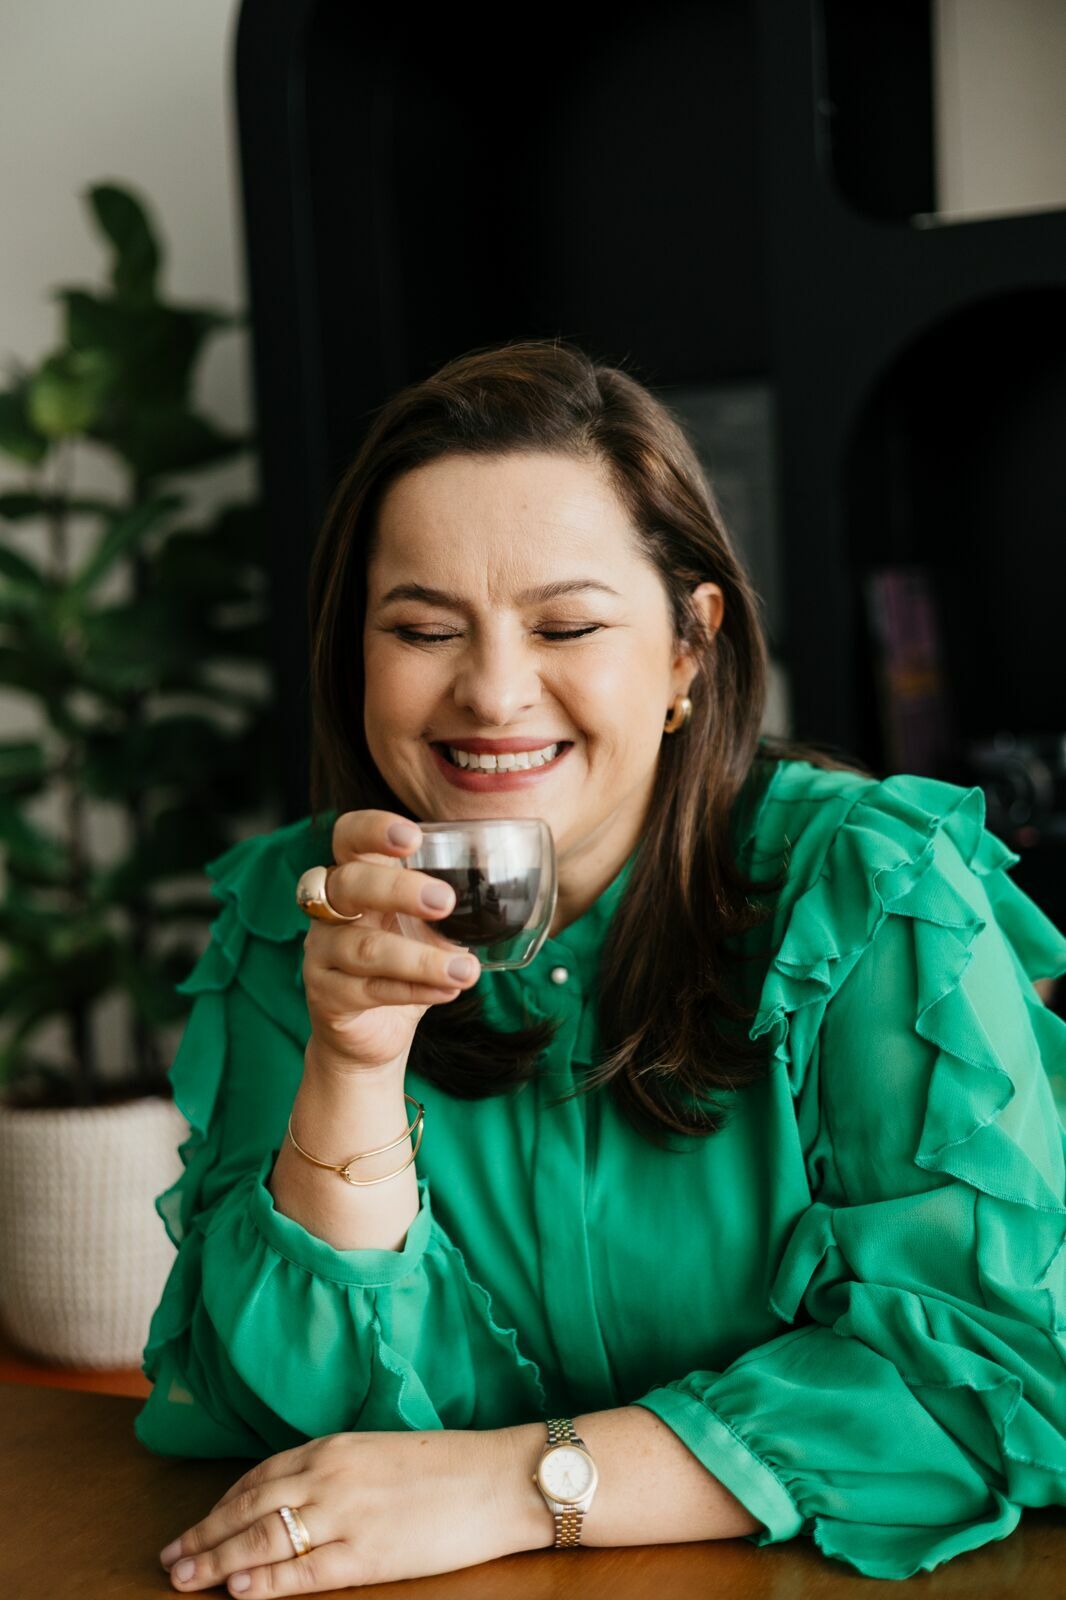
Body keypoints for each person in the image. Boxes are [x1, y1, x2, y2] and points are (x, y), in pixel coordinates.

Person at [137, 339, 1066, 1594]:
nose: (492, 691)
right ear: (355, 649)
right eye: (420, 627)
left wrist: (521, 1482)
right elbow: (296, 1421)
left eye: (566, 623)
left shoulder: (870, 891)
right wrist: (353, 1065)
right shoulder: (298, 917)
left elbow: (985, 1375)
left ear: (689, 648)